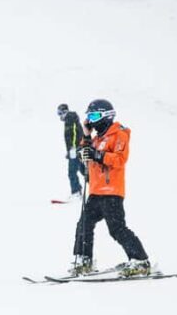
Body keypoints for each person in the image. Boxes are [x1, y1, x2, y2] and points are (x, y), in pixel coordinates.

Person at [71, 99, 151, 277]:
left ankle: (140, 261)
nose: (91, 120)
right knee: (84, 225)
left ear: (107, 116)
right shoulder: (96, 138)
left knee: (116, 229)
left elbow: (120, 160)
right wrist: (85, 138)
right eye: (89, 117)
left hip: (112, 192)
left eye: (94, 116)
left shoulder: (119, 134)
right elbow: (86, 153)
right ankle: (84, 260)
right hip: (96, 191)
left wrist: (97, 154)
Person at [57, 103, 86, 199]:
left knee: (72, 172)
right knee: (83, 170)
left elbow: (73, 133)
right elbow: (76, 133)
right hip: (78, 149)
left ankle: (76, 192)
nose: (59, 116)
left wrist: (73, 149)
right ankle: (97, 187)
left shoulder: (70, 118)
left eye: (60, 113)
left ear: (65, 112)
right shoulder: (72, 118)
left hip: (76, 150)